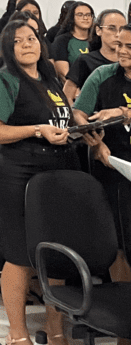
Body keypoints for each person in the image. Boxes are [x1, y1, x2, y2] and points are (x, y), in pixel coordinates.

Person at [0, 20, 74, 345]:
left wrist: (83, 128)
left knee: (56, 251)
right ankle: (17, 333)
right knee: (19, 253)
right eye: (17, 41)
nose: (26, 44)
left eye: (31, 38)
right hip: (15, 173)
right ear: (8, 48)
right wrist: (37, 130)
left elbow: (62, 119)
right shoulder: (3, 80)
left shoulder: (50, 79)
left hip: (54, 173)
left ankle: (55, 327)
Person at [73, 23, 131, 287]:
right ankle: (122, 298)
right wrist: (93, 140)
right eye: (119, 45)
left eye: (129, 46)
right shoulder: (102, 75)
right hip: (113, 165)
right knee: (119, 237)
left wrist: (123, 113)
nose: (122, 51)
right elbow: (78, 113)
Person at [63, 9, 127, 102]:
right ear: (98, 30)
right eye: (111, 28)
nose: (117, 34)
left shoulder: (127, 62)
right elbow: (67, 95)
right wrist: (77, 110)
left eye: (122, 29)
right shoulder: (86, 60)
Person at [51, 1, 94, 79]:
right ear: (72, 17)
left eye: (88, 15)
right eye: (80, 15)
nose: (85, 18)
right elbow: (64, 74)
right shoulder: (61, 40)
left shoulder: (97, 40)